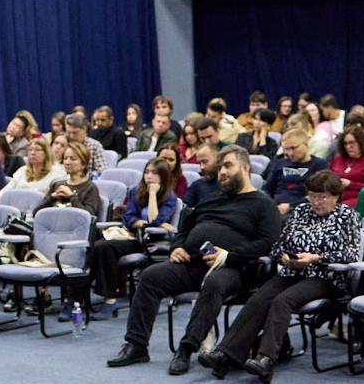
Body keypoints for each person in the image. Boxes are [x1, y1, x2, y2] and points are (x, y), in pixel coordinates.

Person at [106, 146, 283, 372]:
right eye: (220, 167)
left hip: (236, 268)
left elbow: (268, 242)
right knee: (150, 276)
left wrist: (228, 255)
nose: (222, 172)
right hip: (193, 263)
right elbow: (184, 227)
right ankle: (136, 345)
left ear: (245, 168)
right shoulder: (211, 199)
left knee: (214, 283)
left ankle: (186, 348)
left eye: (228, 166)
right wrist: (177, 247)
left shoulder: (263, 204)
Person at [202, 170, 362, 384]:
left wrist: (317, 258)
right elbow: (278, 246)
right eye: (312, 196)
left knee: (283, 300)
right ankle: (226, 354)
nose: (316, 202)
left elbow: (351, 254)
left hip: (326, 276)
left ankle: (266, 358)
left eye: (322, 197)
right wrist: (284, 257)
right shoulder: (301, 212)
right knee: (259, 298)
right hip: (293, 271)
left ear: (336, 196)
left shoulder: (347, 216)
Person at [89, 159, 180, 306]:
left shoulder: (170, 198)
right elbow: (129, 217)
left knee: (105, 247)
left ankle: (109, 298)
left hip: (153, 243)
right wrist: (142, 223)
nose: (149, 176)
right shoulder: (136, 191)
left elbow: (154, 220)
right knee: (99, 244)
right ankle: (95, 294)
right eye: (146, 172)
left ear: (163, 176)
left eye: (154, 173)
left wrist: (152, 194)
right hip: (134, 236)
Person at [263, 129, 328, 216]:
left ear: (305, 144)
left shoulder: (319, 165)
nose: (290, 153)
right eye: (286, 149)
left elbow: (319, 194)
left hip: (303, 210)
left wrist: (291, 206)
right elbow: (267, 189)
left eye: (293, 148)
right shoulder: (279, 163)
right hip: (274, 208)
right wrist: (270, 205)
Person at [328, 127, 364, 208]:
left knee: (342, 207)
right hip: (334, 195)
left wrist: (351, 184)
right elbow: (328, 176)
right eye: (345, 144)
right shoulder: (338, 159)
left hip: (358, 198)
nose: (348, 146)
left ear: (361, 142)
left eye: (352, 143)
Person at [62, 112, 108, 176]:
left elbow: (102, 171)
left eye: (75, 133)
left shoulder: (94, 146)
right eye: (69, 133)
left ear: (84, 129)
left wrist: (83, 177)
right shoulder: (63, 143)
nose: (71, 136)